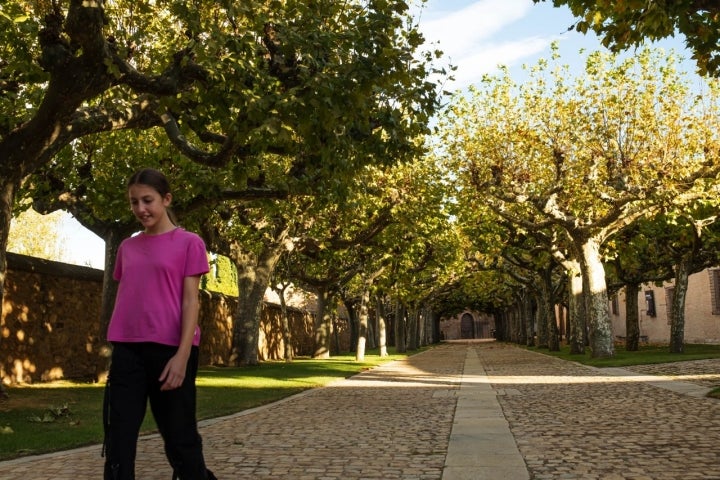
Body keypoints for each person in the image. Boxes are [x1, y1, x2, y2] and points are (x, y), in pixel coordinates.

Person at [103, 168, 216, 480]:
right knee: (119, 440)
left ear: (166, 199)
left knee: (180, 439)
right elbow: (130, 295)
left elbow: (190, 301)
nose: (141, 209)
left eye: (148, 200)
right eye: (134, 202)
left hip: (171, 351)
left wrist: (182, 356)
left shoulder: (190, 243)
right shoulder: (126, 247)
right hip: (127, 352)